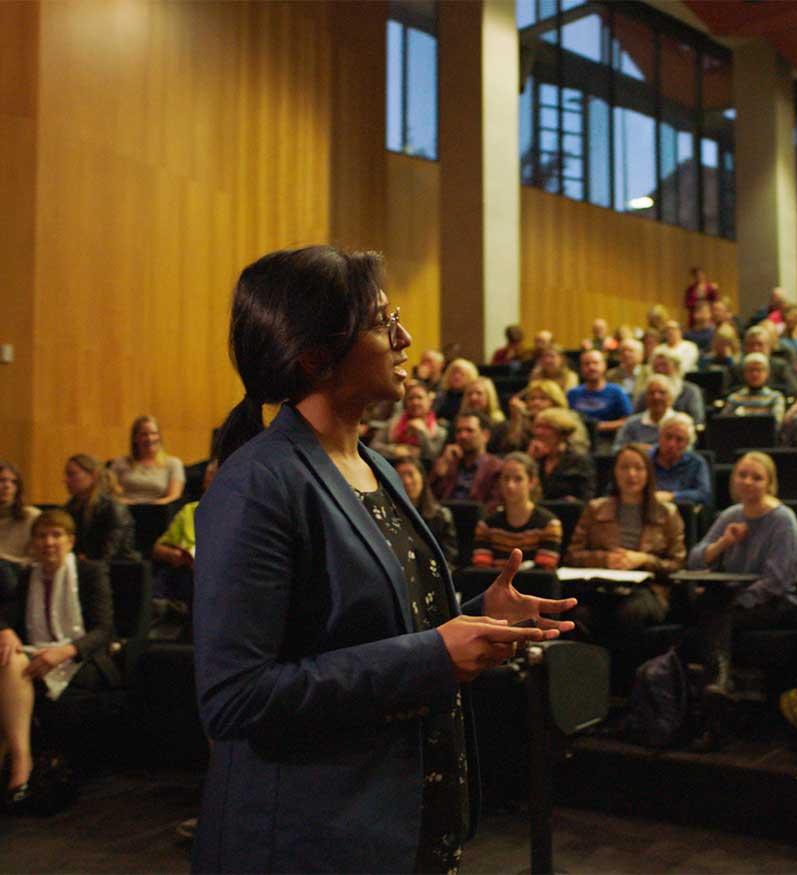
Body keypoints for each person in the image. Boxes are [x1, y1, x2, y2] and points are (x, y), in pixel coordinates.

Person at [192, 245, 572, 873]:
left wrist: (480, 616)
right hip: (312, 842)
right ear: (316, 357)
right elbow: (235, 697)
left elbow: (369, 630)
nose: (405, 337)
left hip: (400, 828)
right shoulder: (259, 483)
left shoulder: (377, 467)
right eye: (380, 323)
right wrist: (433, 654)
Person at [0, 509, 118, 810]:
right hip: (37, 652)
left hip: (83, 659)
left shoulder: (91, 572)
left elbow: (104, 630)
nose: (48, 542)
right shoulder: (29, 575)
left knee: (14, 668)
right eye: (41, 536)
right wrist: (6, 631)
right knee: (10, 658)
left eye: (56, 535)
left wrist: (64, 651)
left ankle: (16, 762)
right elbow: (8, 616)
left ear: (70, 541)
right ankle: (21, 761)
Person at [686, 452, 797, 747]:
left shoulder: (782, 519)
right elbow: (695, 560)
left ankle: (718, 686)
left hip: (780, 601)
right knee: (707, 607)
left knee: (715, 614)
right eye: (742, 475)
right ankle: (716, 698)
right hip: (735, 599)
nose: (748, 482)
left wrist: (739, 601)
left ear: (770, 483)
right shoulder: (730, 515)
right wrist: (725, 542)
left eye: (756, 477)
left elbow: (777, 580)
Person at [564, 445, 685, 641]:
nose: (631, 474)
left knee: (629, 613)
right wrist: (606, 560)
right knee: (580, 615)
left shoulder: (667, 513)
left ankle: (623, 672)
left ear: (648, 473)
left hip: (648, 590)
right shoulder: (596, 509)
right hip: (601, 588)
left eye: (638, 468)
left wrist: (643, 559)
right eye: (624, 468)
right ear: (615, 472)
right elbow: (572, 556)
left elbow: (677, 564)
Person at [471, 453, 562, 570]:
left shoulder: (549, 525)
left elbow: (544, 576)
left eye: (518, 479)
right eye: (506, 478)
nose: (510, 485)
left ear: (532, 482)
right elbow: (481, 573)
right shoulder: (486, 527)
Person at [152, 460, 219, 603]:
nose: (211, 480)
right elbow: (158, 549)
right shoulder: (190, 510)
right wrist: (173, 555)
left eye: (216, 475)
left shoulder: (241, 513)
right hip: (185, 570)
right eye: (209, 476)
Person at [63, 454, 138, 562]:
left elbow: (111, 552)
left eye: (72, 474)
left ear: (93, 476)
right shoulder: (69, 508)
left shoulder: (113, 507)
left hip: (118, 570)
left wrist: (86, 560)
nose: (66, 480)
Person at [394, 457, 459, 565]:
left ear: (422, 477)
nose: (406, 481)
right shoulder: (388, 514)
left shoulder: (441, 515)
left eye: (410, 474)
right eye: (400, 476)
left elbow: (449, 556)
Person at [429, 411, 504, 505]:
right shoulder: (448, 464)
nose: (463, 436)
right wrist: (439, 474)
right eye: (459, 431)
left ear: (485, 436)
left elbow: (494, 504)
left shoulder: (496, 468)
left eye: (469, 430)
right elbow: (430, 501)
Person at [501, 379, 590, 456]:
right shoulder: (526, 421)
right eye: (532, 399)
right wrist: (516, 420)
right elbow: (510, 450)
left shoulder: (569, 419)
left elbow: (579, 449)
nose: (536, 403)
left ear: (555, 402)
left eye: (543, 399)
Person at [109, 415, 185, 505]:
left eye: (154, 433)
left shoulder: (173, 463)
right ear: (135, 438)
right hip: (126, 510)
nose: (150, 438)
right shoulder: (119, 463)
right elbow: (109, 493)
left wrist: (149, 508)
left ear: (159, 436)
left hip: (159, 512)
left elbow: (174, 496)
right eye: (144, 434)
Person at [369, 380, 447, 462]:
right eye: (411, 398)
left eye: (419, 398)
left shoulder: (439, 430)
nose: (415, 402)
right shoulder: (394, 423)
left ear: (429, 401)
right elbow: (373, 447)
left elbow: (433, 457)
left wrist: (422, 432)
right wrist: (395, 450)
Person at [567, 350, 633, 445]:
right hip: (578, 441)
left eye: (595, 363)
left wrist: (600, 426)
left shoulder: (616, 391)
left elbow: (628, 420)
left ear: (604, 366)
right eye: (586, 364)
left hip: (608, 441)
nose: (591, 367)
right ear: (581, 368)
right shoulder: (573, 393)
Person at [529, 408, 595, 501]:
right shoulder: (534, 457)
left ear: (562, 433)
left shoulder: (579, 460)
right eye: (537, 426)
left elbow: (586, 497)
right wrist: (530, 459)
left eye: (547, 427)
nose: (539, 432)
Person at [650, 412, 712, 506]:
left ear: (687, 443)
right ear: (659, 436)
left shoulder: (696, 463)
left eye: (679, 439)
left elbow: (704, 494)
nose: (671, 444)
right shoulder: (645, 459)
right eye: (668, 437)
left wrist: (672, 496)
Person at [636, 348, 706, 425]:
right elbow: (636, 417)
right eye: (656, 366)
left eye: (664, 365)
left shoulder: (690, 391)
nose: (660, 370)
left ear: (676, 367)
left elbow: (697, 420)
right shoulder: (646, 392)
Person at [613, 375, 675, 450]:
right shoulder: (631, 423)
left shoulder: (680, 424)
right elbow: (616, 449)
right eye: (651, 393)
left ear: (671, 397)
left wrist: (651, 450)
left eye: (662, 393)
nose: (656, 397)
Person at [723, 353, 786, 423]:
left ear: (767, 373)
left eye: (759, 370)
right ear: (744, 373)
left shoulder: (775, 398)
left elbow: (777, 422)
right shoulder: (734, 398)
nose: (755, 374)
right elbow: (725, 422)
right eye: (750, 370)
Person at [0, 462, 41, 566]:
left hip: (19, 573)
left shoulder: (32, 516)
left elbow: (38, 559)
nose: (7, 486)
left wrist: (5, 560)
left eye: (14, 482)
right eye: (1, 480)